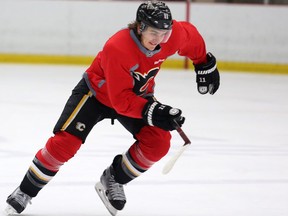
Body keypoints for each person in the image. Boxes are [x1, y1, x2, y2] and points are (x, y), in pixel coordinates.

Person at [5, 1, 220, 215]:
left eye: (165, 33)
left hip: (137, 97)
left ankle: (114, 178)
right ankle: (25, 191)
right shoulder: (118, 47)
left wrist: (204, 63)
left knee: (159, 142)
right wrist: (156, 112)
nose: (160, 40)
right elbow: (121, 100)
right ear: (140, 27)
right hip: (96, 94)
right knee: (65, 144)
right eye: (154, 33)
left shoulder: (171, 36)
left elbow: (190, 36)